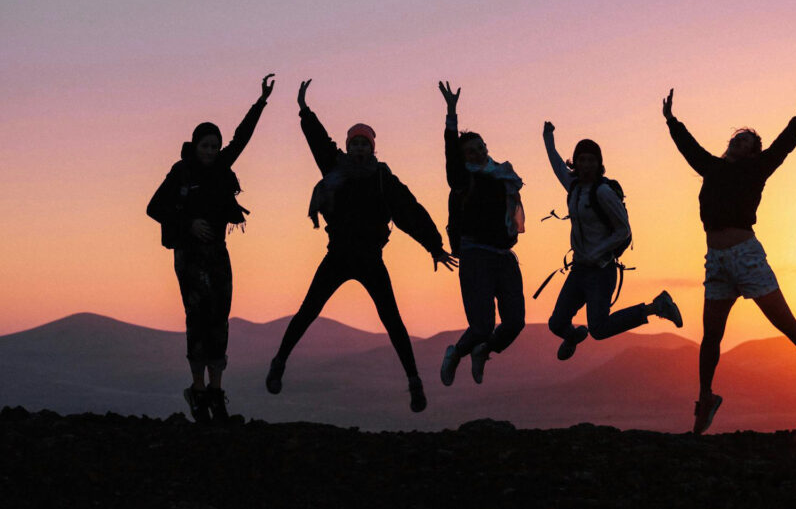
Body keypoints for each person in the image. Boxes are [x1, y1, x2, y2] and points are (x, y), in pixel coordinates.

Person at [662, 82, 796, 434]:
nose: (740, 142)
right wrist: (671, 121)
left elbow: (784, 147)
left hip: (746, 257)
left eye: (747, 143)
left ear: (752, 154)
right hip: (716, 260)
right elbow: (689, 149)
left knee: (787, 325)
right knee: (711, 336)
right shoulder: (712, 168)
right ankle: (706, 400)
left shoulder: (756, 169)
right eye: (737, 139)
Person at [266, 79, 457, 413]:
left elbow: (409, 211)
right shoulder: (334, 168)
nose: (358, 149)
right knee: (308, 311)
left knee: (392, 320)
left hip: (370, 258)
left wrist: (434, 246)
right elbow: (318, 142)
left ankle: (414, 383)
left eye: (363, 144)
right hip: (338, 255)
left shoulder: (383, 178)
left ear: (372, 148)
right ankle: (279, 362)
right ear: (347, 146)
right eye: (353, 143)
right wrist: (304, 110)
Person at [147, 73, 274, 424]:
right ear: (195, 145)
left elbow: (242, 137)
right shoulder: (180, 172)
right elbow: (154, 208)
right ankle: (197, 391)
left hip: (218, 253)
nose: (211, 151)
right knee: (197, 318)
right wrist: (187, 222)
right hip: (189, 256)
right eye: (206, 145)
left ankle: (216, 393)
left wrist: (261, 101)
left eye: (215, 146)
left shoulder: (221, 168)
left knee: (220, 319)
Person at [541, 122, 683, 361]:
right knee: (556, 323)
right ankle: (574, 336)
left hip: (602, 270)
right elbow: (556, 166)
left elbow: (623, 231)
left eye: (591, 160)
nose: (586, 165)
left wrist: (596, 252)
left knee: (599, 328)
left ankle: (657, 307)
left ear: (599, 164)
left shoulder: (603, 193)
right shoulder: (574, 187)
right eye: (582, 160)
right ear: (576, 162)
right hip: (579, 269)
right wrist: (548, 137)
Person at [437, 81, 527, 386]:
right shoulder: (463, 180)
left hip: (504, 256)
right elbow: (451, 157)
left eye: (479, 148)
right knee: (482, 324)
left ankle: (483, 352)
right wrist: (451, 115)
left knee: (515, 322)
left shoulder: (504, 177)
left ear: (486, 149)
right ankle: (457, 352)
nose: (475, 154)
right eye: (469, 151)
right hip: (475, 254)